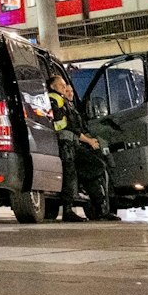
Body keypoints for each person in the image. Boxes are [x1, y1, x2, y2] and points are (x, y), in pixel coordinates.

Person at [51, 73, 117, 221]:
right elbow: (64, 125)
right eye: (63, 87)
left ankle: (100, 209)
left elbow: (75, 126)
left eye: (70, 90)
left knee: (94, 168)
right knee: (71, 175)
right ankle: (68, 211)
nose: (67, 91)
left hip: (72, 143)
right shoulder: (55, 100)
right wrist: (88, 140)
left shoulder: (66, 104)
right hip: (65, 143)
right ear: (52, 86)